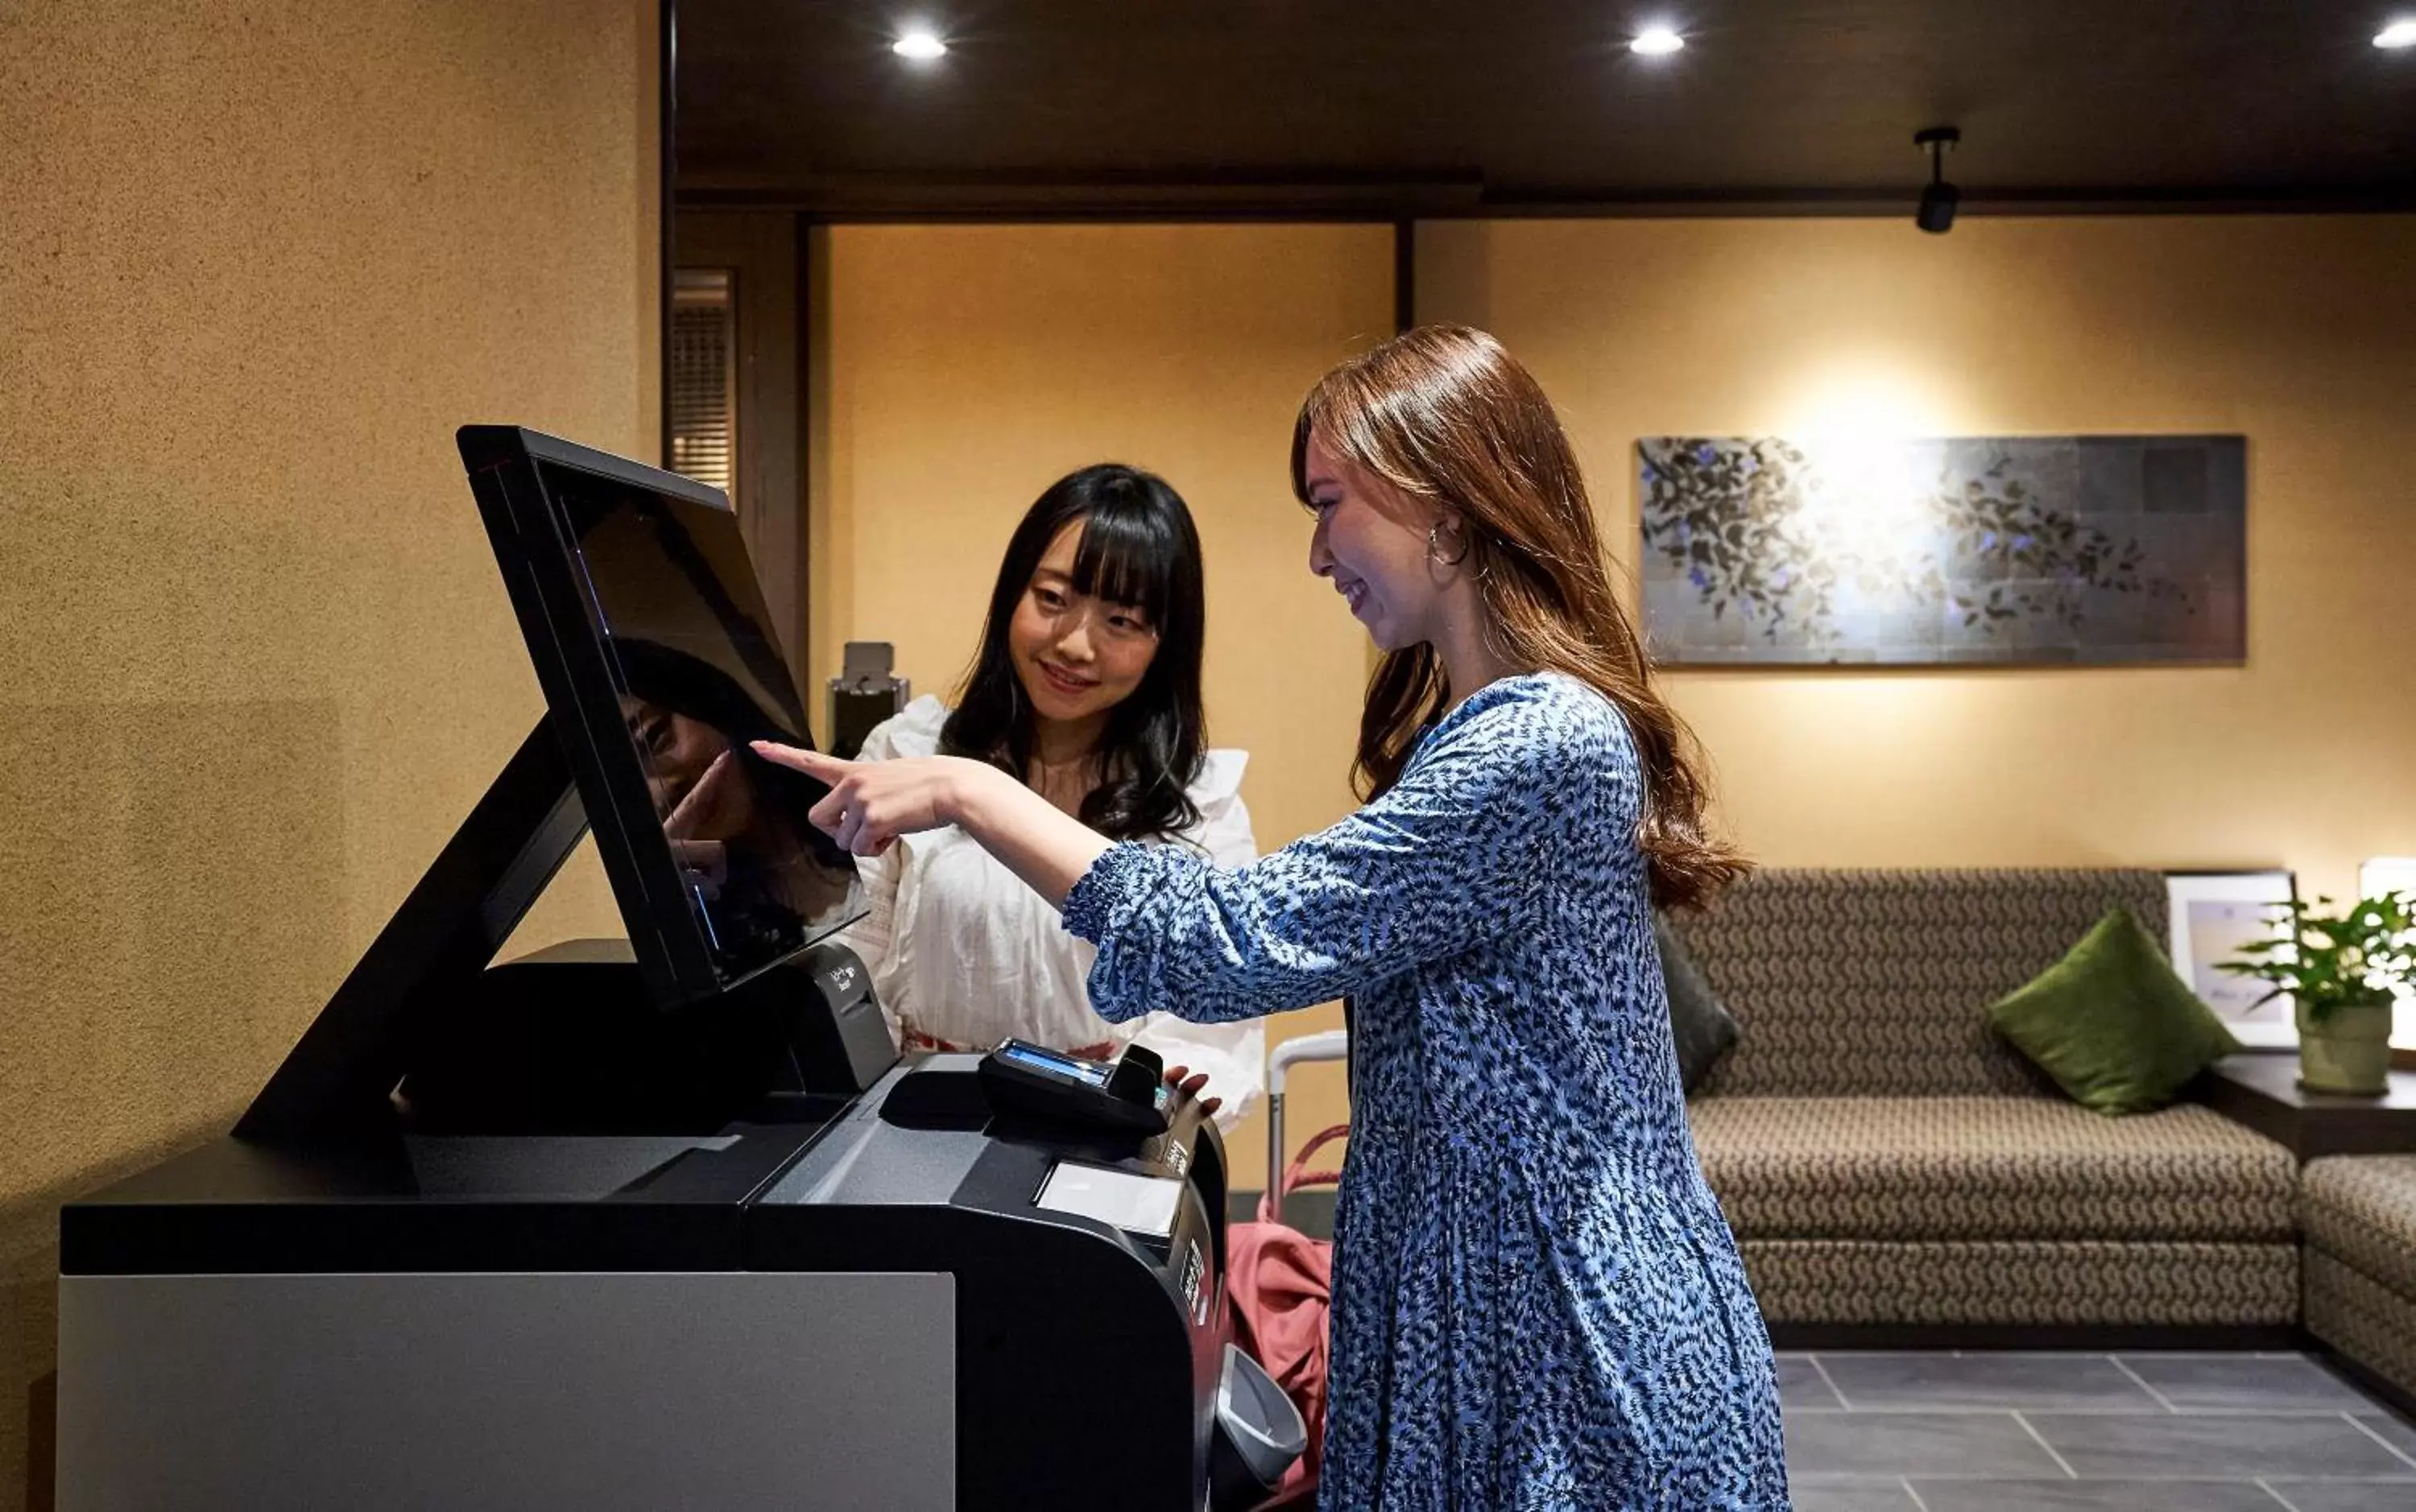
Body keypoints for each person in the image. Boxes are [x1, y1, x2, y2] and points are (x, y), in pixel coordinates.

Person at [759, 328, 1788, 1507]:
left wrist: (967, 788)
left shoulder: (1536, 739)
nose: (1315, 553)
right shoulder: (1498, 728)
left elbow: (1226, 940)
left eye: (1330, 503)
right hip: (1489, 1291)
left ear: (1442, 501)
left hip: (1558, 1324)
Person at [833, 464, 1264, 1128]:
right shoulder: (910, 752)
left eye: (1121, 620)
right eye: (1053, 598)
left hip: (1098, 1133)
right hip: (914, 1118)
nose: (1074, 645)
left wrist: (1160, 1084)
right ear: (1013, 593)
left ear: (1164, 644)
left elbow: (1214, 1011)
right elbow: (850, 952)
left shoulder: (1198, 804)